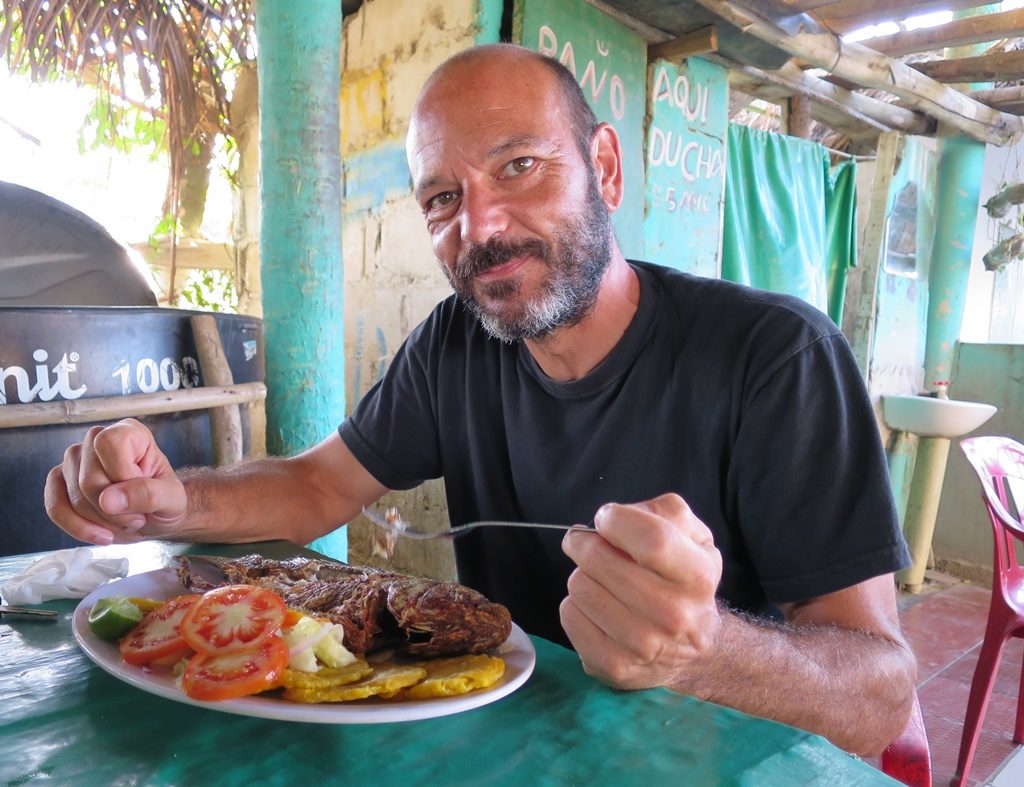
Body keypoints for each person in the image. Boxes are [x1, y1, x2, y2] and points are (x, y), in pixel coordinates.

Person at [45, 44, 916, 756]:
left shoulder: (776, 358)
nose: (482, 225)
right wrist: (166, 499)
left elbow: (879, 695)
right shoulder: (454, 345)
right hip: (521, 750)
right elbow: (317, 488)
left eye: (520, 166)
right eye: (443, 198)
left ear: (604, 168)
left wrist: (708, 650)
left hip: (726, 757)